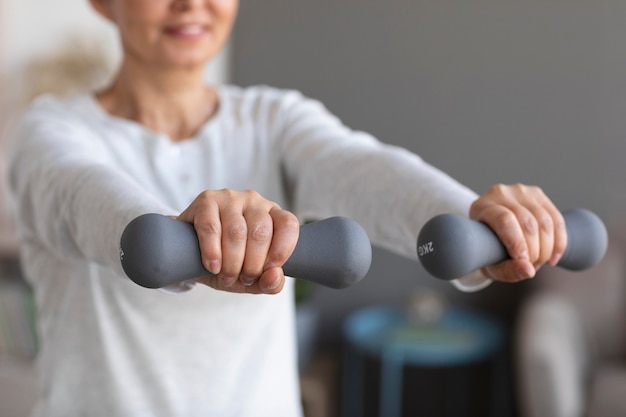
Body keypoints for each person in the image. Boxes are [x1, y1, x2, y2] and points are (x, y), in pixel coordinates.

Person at [7, 1, 567, 416]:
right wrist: (168, 232)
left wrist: (475, 220)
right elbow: (81, 193)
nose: (191, 5)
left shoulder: (274, 120)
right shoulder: (52, 129)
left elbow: (362, 167)